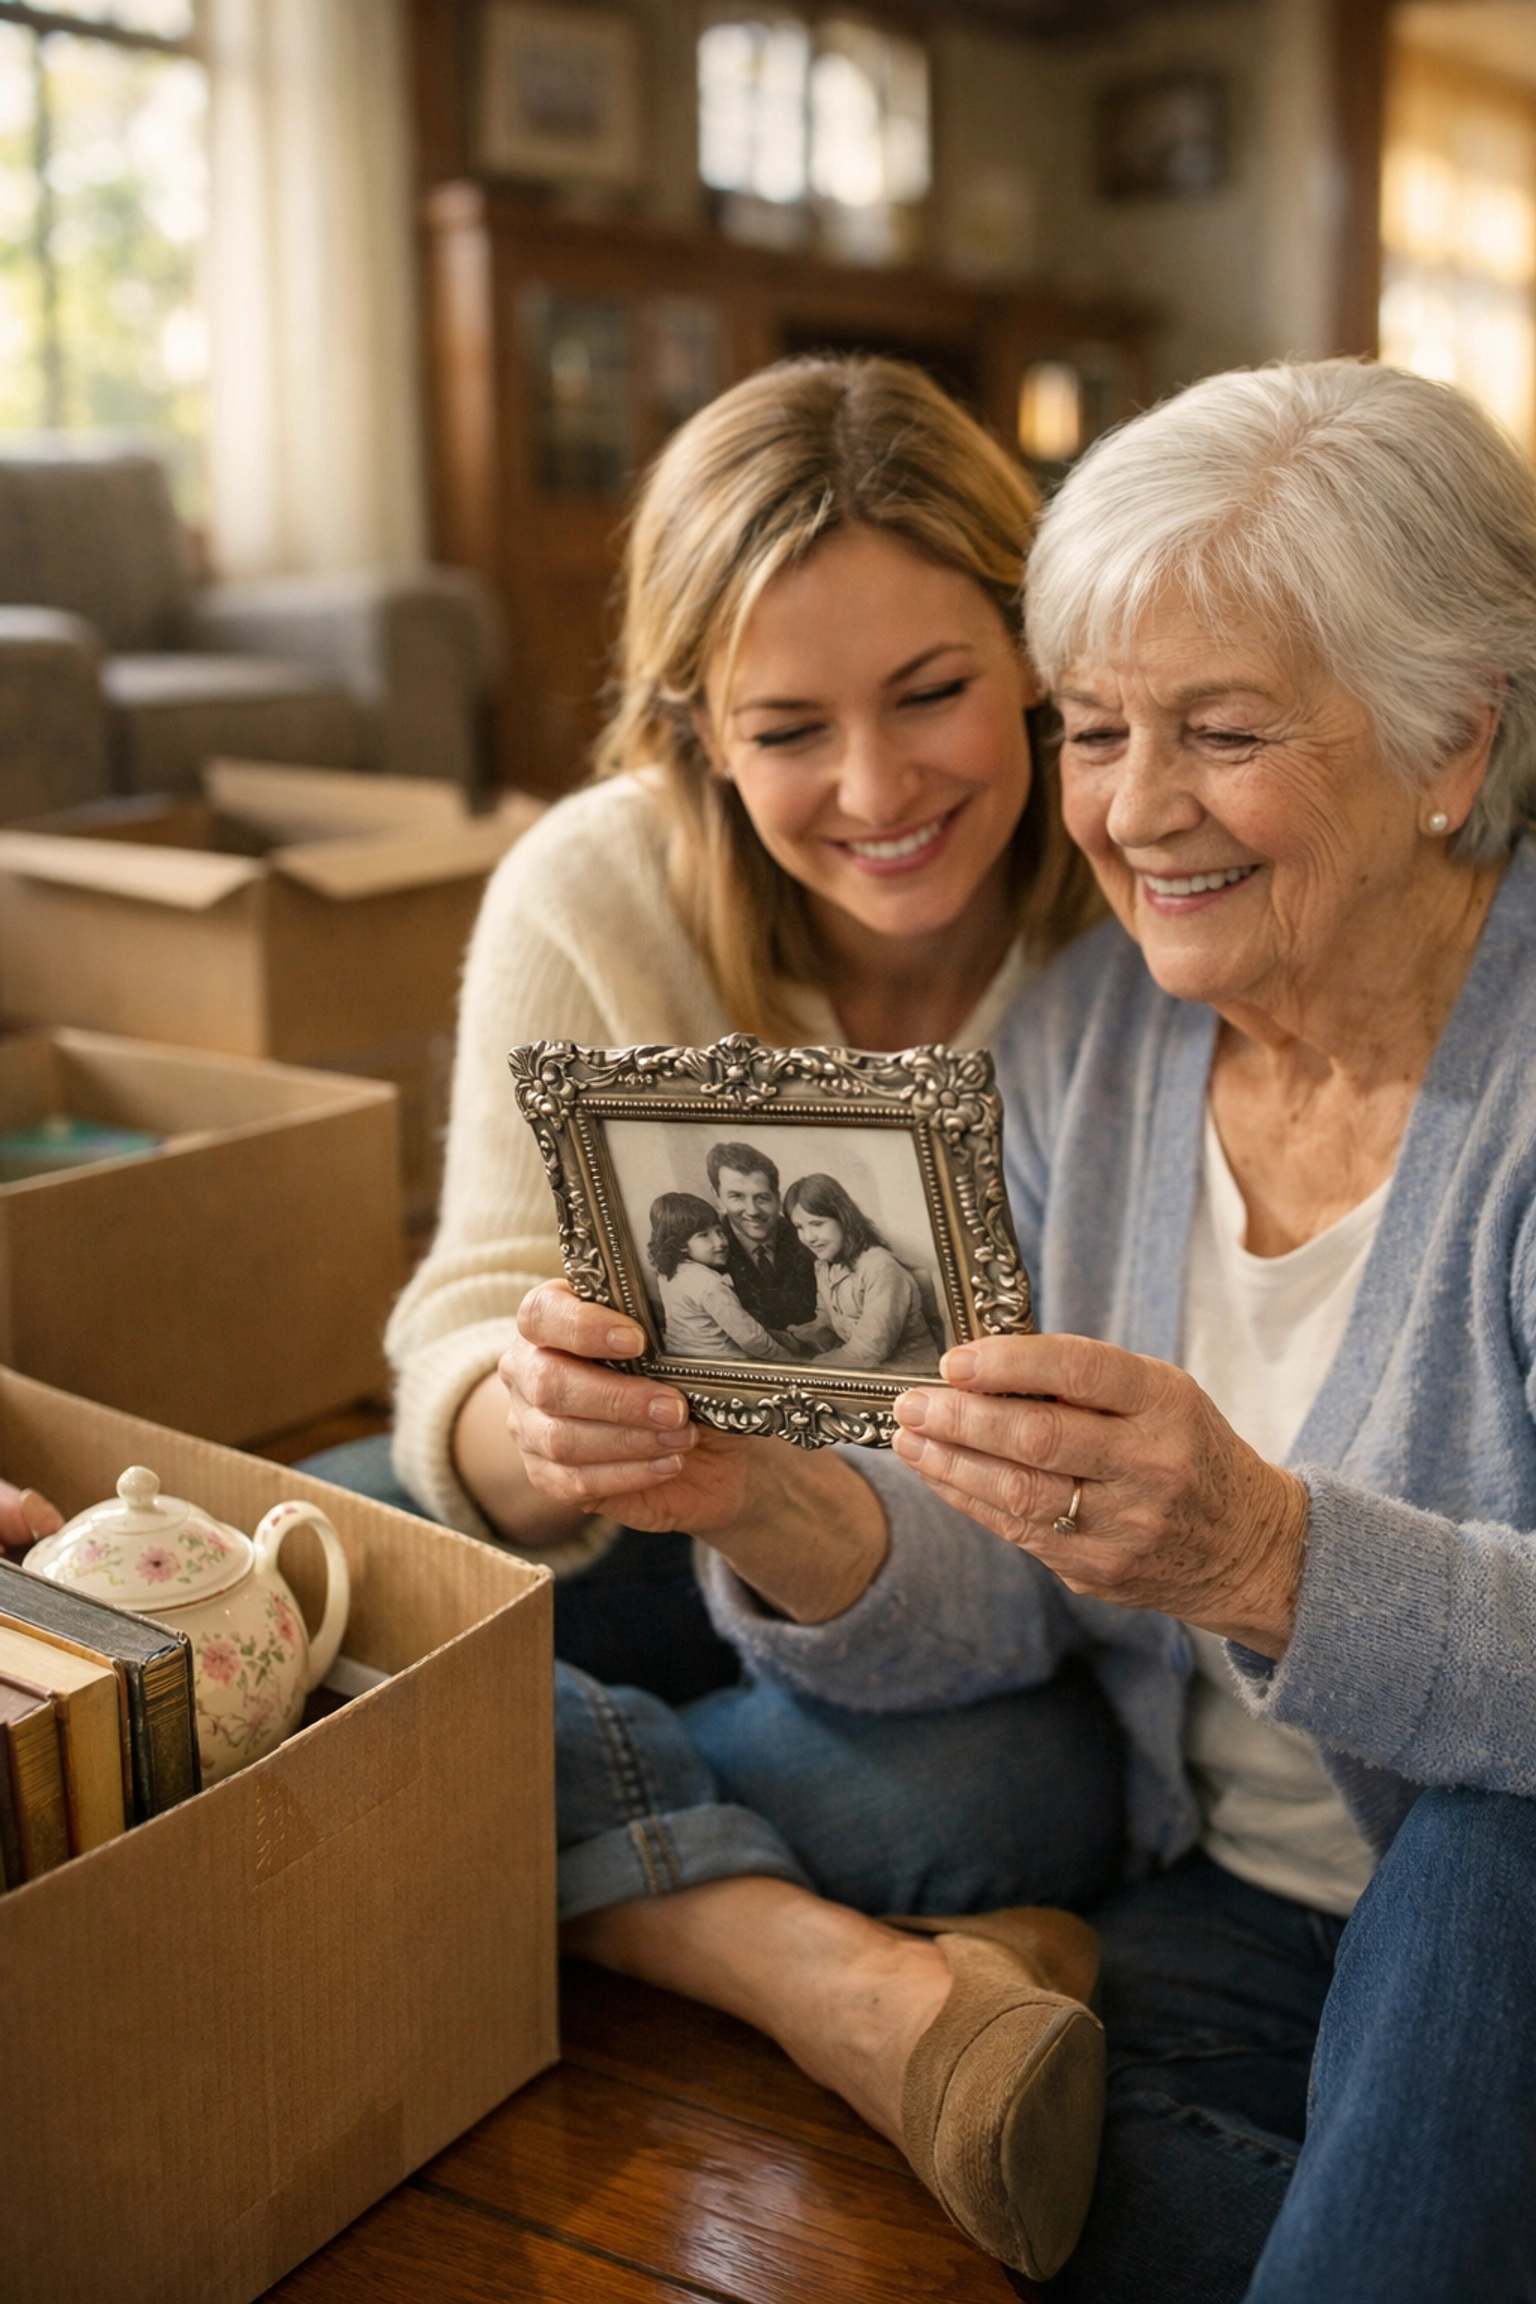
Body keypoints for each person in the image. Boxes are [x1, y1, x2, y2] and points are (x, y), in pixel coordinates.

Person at [501, 360, 1536, 2300]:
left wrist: (1265, 1553)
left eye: (1221, 735)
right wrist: (765, 1496)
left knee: (1493, 1855)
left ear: (1452, 742)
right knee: (1054, 2185)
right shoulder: (1094, 1046)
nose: (1138, 814)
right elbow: (1017, 1593)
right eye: (1094, 730)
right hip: (1222, 1894)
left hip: (1487, 1895)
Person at [355, 355, 1099, 1706]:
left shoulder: (1131, 898)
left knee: (973, 1799)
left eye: (931, 692)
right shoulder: (592, 885)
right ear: (698, 734)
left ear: (1036, 653)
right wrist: (541, 1420)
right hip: (651, 1517)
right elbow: (465, 1325)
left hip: (982, 1586)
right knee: (287, 1569)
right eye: (789, 729)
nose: (877, 790)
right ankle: (717, 1897)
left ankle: (658, 1869)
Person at [782, 1171, 940, 1372]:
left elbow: (868, 1351)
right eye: (799, 1227)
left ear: (842, 1217)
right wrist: (801, 1335)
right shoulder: (823, 1265)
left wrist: (807, 1369)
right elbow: (827, 1318)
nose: (808, 1237)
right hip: (869, 1371)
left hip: (907, 1377)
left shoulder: (880, 1267)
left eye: (817, 1224)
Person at [647, 1191, 799, 1362]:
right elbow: (751, 1338)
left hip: (681, 1355)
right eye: (704, 1235)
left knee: (778, 1335)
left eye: (719, 1231)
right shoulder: (709, 1284)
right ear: (679, 1244)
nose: (720, 1242)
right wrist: (792, 1361)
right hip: (722, 1361)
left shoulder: (669, 1272)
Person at [706, 1142, 818, 1333]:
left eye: (762, 1198)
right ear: (718, 1199)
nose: (752, 1211)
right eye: (736, 1197)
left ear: (777, 1197)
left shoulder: (808, 1238)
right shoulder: (707, 1255)